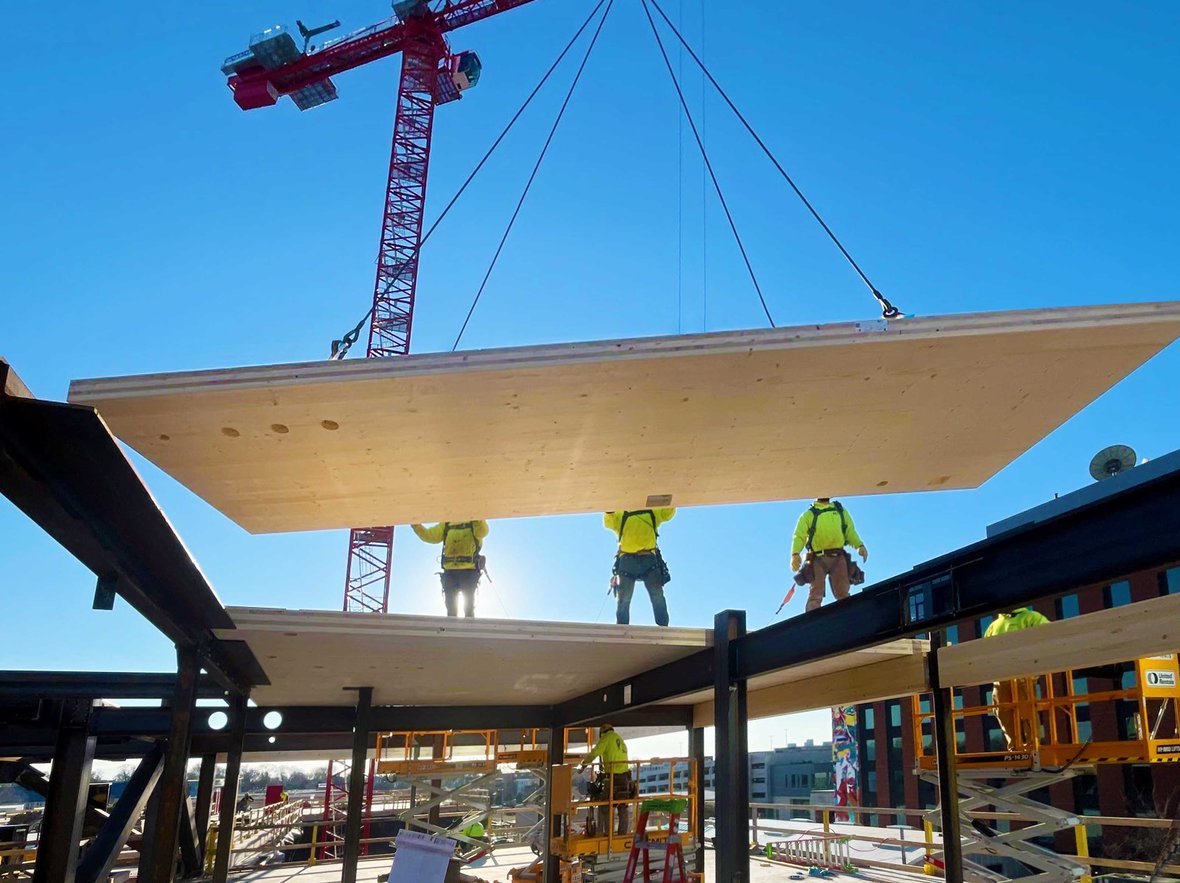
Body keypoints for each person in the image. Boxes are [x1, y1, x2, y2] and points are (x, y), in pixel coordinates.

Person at [983, 607, 1049, 749]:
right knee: (1001, 711)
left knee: (1026, 710)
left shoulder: (1031, 617)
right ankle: (1015, 746)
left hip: (1023, 674)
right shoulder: (994, 625)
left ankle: (1032, 745)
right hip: (1001, 677)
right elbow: (985, 650)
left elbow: (1048, 636)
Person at [790, 498, 868, 612]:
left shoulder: (840, 511)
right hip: (817, 558)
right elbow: (799, 536)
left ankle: (848, 618)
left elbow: (850, 531)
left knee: (843, 593)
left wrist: (859, 545)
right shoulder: (808, 515)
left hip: (838, 557)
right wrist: (795, 554)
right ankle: (812, 621)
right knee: (815, 594)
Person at [604, 508, 675, 626]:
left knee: (655, 594)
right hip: (631, 560)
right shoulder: (622, 513)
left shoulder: (652, 510)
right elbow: (609, 520)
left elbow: (668, 512)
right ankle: (622, 628)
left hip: (643, 559)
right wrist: (609, 509)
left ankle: (663, 627)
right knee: (625, 598)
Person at [412, 520, 490, 617]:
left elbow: (483, 531)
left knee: (468, 608)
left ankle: (468, 629)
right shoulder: (446, 523)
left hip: (468, 572)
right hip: (451, 572)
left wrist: (476, 517)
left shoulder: (473, 522)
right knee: (451, 608)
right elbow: (429, 536)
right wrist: (415, 524)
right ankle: (454, 629)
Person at [579, 724, 632, 837]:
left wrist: (584, 764)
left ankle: (607, 834)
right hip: (625, 777)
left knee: (605, 805)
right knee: (622, 806)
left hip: (613, 777)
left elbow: (595, 752)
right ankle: (622, 834)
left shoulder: (606, 738)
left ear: (602, 733)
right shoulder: (619, 739)